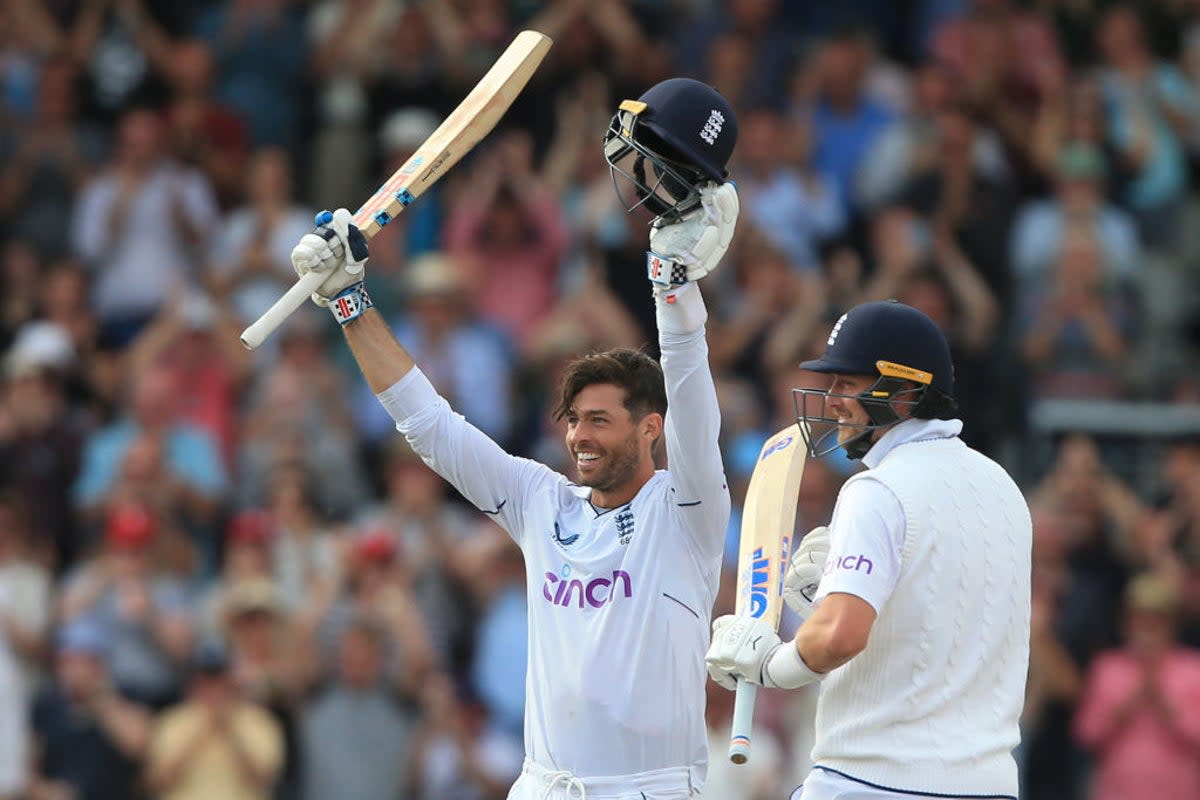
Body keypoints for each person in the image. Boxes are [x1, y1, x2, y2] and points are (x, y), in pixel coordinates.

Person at [284, 77, 739, 798]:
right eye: (574, 420)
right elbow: (429, 425)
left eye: (601, 420)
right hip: (542, 786)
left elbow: (689, 386)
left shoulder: (687, 514)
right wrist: (349, 301)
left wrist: (671, 286)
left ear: (650, 428)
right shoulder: (540, 501)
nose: (580, 437)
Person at [705, 299, 1033, 800]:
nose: (831, 398)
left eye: (848, 384)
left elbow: (840, 634)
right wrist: (835, 590)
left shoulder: (877, 490)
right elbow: (937, 618)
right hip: (988, 786)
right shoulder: (1003, 488)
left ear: (904, 395)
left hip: (874, 782)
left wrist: (771, 663)